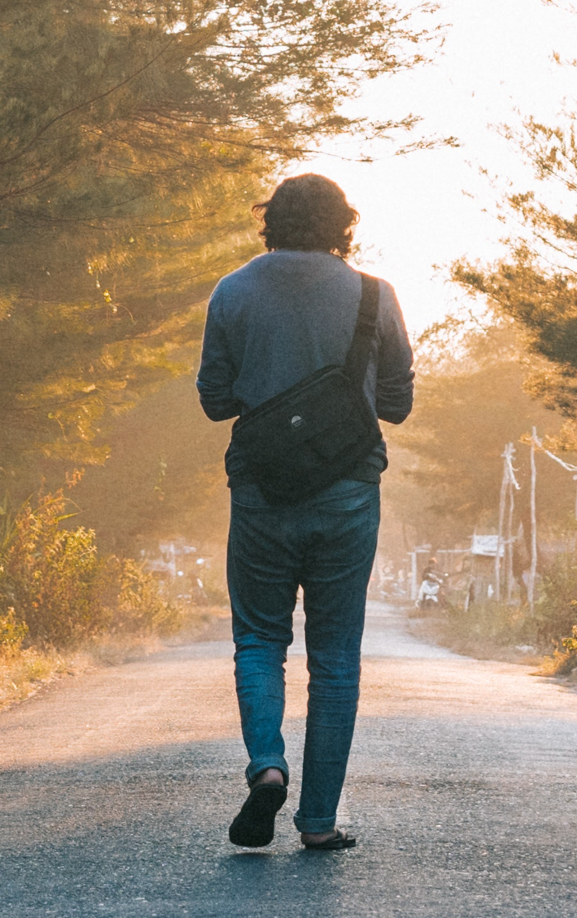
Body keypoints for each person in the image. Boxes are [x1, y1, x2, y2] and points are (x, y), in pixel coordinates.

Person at [196, 174, 413, 850]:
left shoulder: (232, 291)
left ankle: (267, 765)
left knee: (260, 639)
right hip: (348, 492)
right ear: (344, 226)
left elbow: (214, 400)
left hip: (261, 490)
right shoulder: (375, 295)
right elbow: (398, 404)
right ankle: (318, 820)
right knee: (336, 656)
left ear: (271, 223)